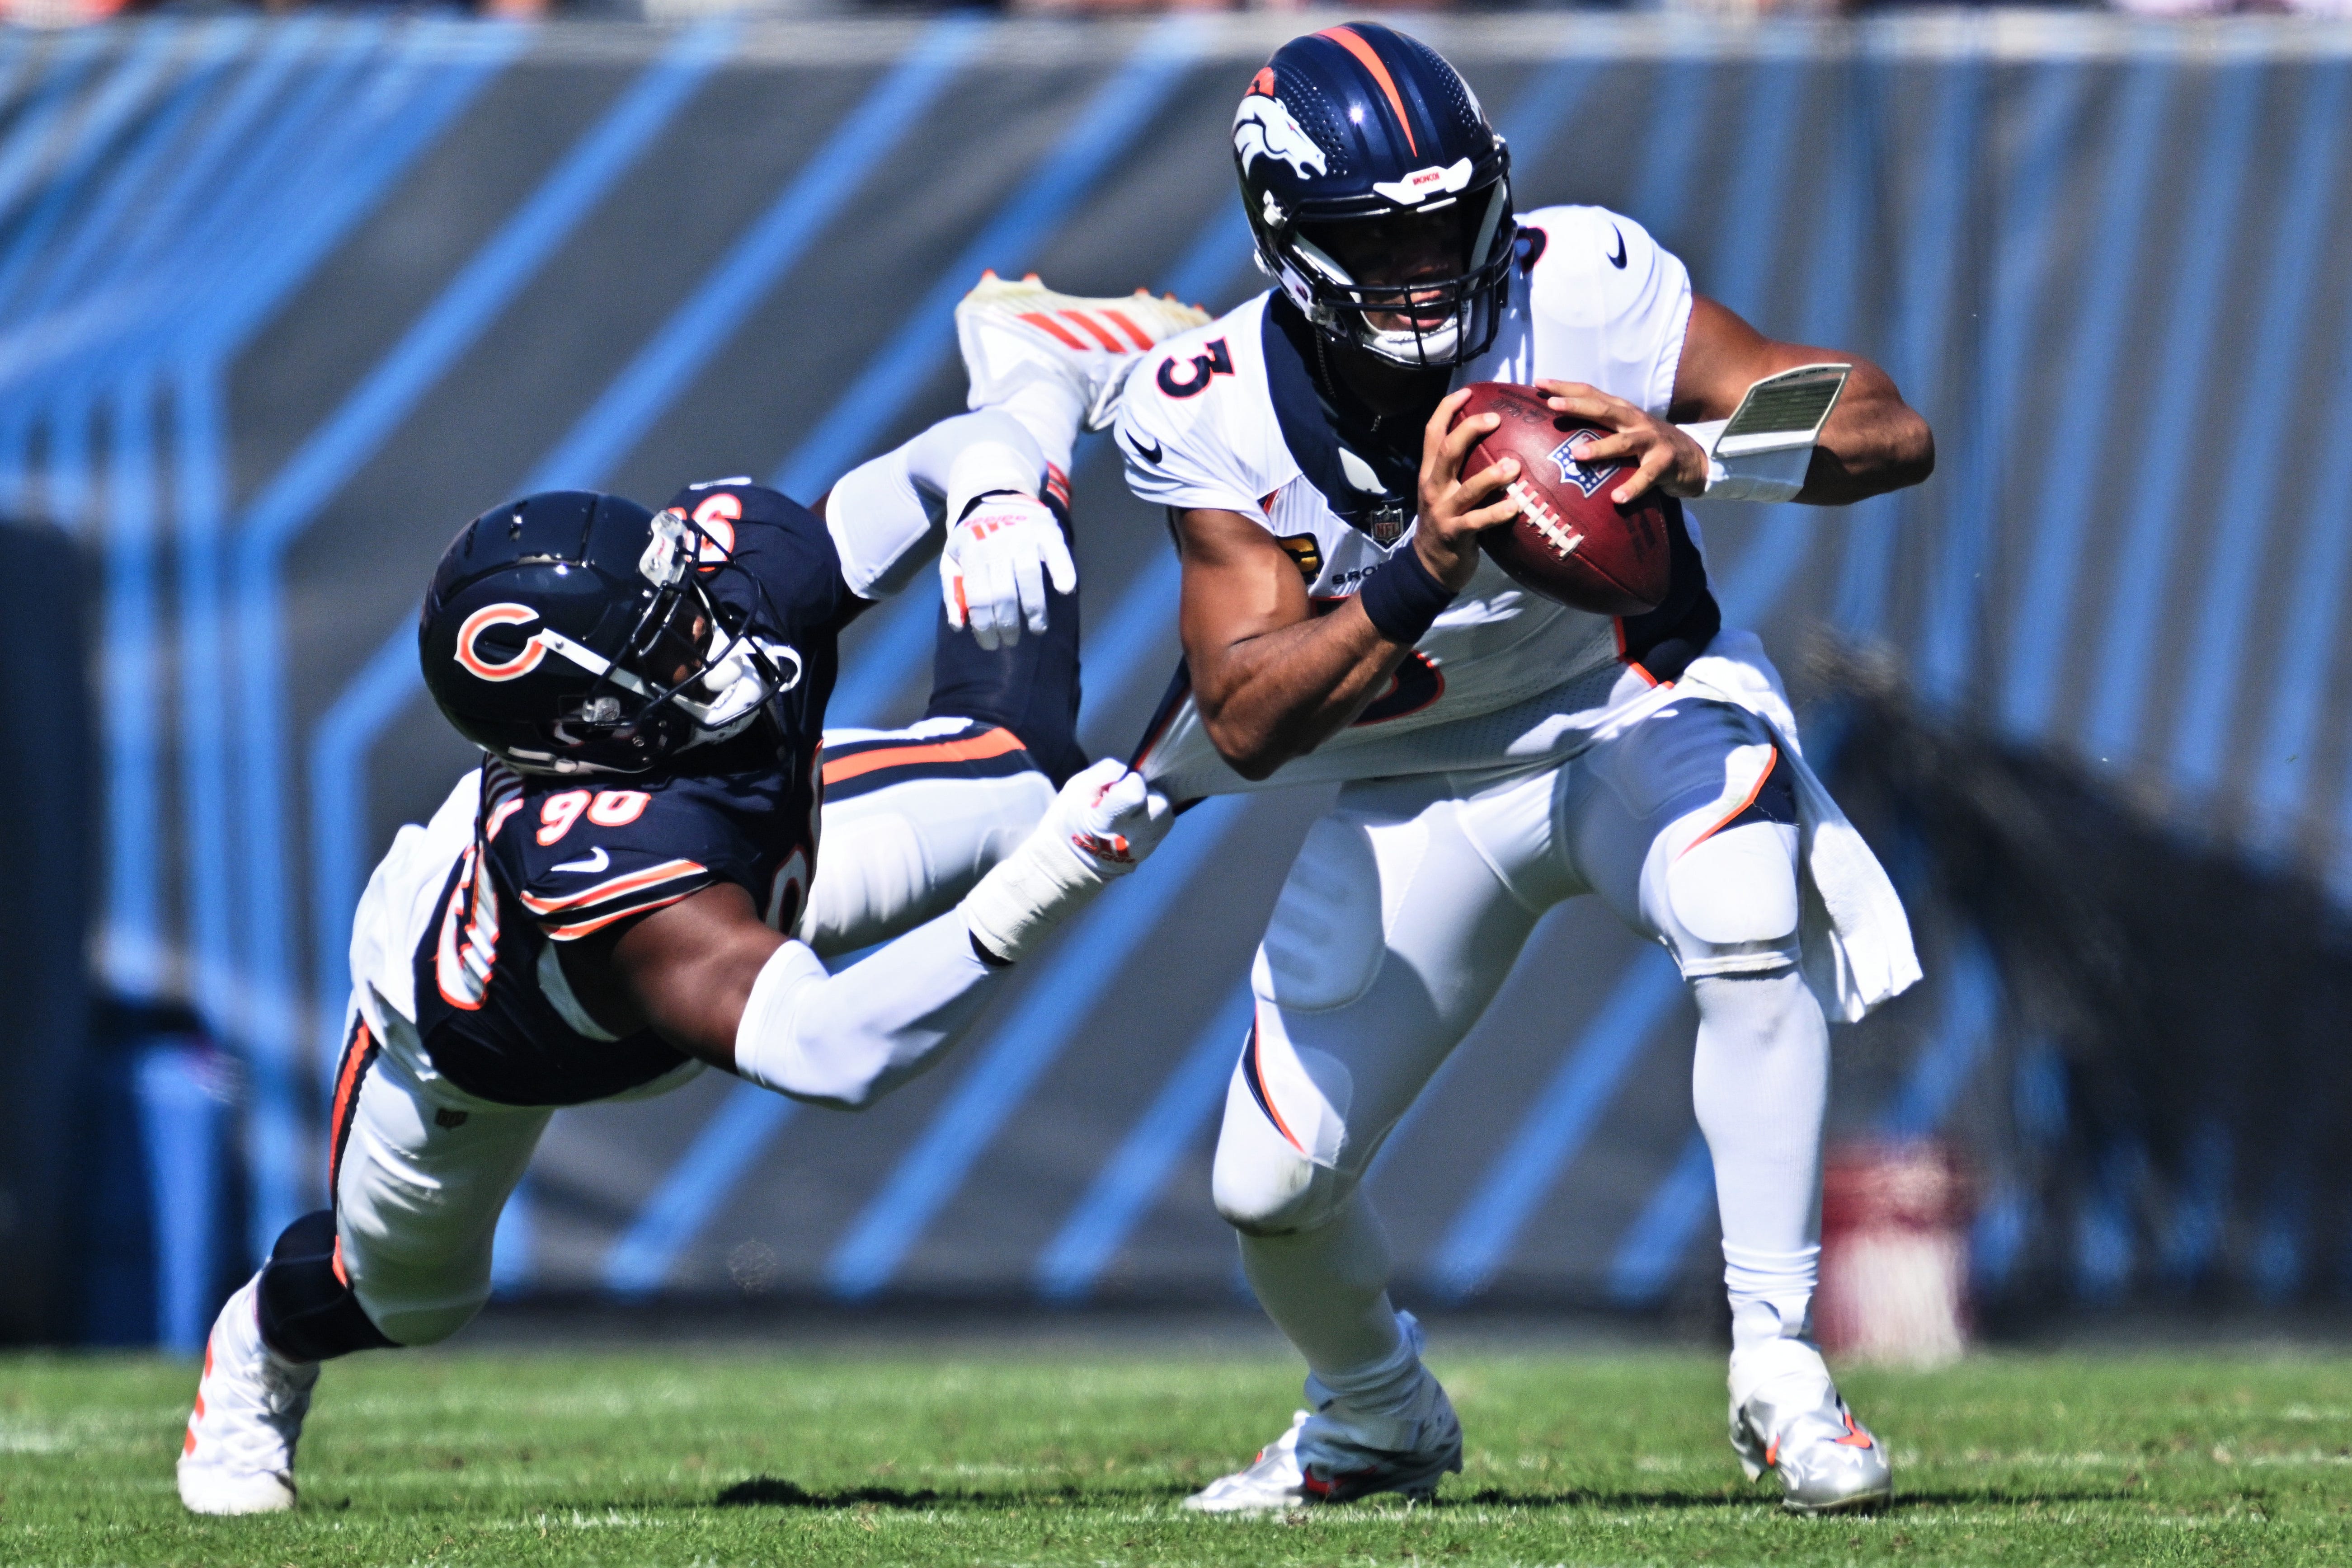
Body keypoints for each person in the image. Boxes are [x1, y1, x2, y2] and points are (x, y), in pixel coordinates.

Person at [1052, 21, 1924, 1513]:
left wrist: (1708, 451)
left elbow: (1886, 423)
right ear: (1283, 238)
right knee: (1268, 1188)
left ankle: (1779, 1367)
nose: (1418, 275)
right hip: (1421, 783)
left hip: (1631, 700)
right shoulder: (1213, 404)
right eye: (1370, 243)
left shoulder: (1577, 282)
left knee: (1741, 897)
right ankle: (1372, 1412)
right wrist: (1420, 568)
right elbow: (1247, 715)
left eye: (1441, 228)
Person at [172, 412, 1185, 1512]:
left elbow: (928, 466)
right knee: (412, 1300)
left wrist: (994, 484)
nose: (708, 634)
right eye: (661, 643)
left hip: (744, 868)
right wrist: (1042, 889)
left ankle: (1042, 367)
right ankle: (262, 1340)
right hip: (485, 1039)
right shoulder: (602, 854)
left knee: (1020, 791)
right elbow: (833, 1051)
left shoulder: (718, 582)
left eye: (681, 604)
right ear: (587, 725)